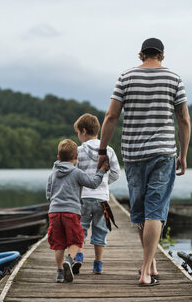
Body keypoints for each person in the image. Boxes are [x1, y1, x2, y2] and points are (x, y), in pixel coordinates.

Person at [97, 37, 191, 286]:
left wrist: (102, 150)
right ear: (162, 55)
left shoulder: (125, 77)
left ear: (141, 55)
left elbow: (111, 116)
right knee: (155, 211)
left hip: (134, 154)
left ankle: (149, 264)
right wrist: (183, 153)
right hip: (163, 153)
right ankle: (146, 271)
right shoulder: (174, 78)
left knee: (141, 212)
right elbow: (183, 120)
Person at [46, 138, 110, 283]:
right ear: (76, 157)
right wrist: (101, 171)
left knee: (58, 243)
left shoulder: (52, 174)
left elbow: (48, 194)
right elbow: (93, 183)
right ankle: (69, 259)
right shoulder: (76, 172)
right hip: (72, 212)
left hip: (54, 212)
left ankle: (59, 273)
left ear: (58, 158)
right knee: (77, 239)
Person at [71, 113, 121, 275]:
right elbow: (116, 173)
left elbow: (73, 173)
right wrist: (104, 182)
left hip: (82, 198)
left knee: (80, 229)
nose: (78, 136)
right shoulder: (108, 150)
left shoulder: (78, 151)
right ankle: (98, 264)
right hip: (102, 200)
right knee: (100, 230)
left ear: (83, 131)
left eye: (78, 132)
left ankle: (78, 256)